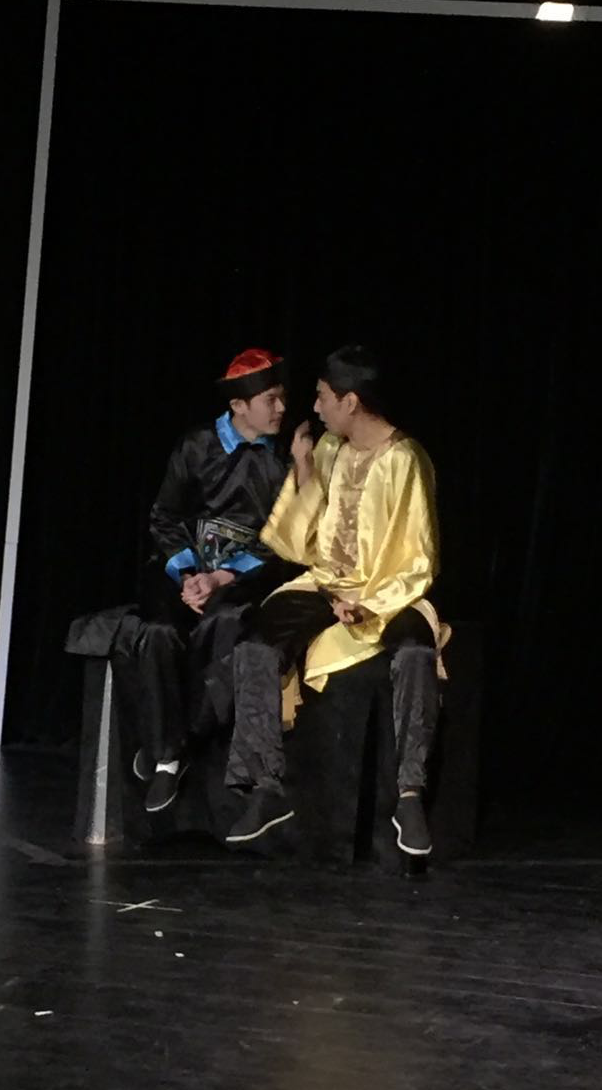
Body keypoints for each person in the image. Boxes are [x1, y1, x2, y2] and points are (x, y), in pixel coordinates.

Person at [224, 344, 444, 855]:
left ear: (350, 401)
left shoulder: (405, 460)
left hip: (388, 592)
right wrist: (303, 468)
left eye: (323, 397)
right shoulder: (328, 449)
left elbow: (419, 561)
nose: (315, 407)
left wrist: (368, 604)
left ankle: (409, 795)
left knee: (415, 653)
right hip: (326, 583)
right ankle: (266, 786)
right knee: (257, 642)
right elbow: (301, 546)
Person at [132, 348, 293, 813]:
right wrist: (188, 574)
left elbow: (281, 539)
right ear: (239, 405)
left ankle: (172, 748)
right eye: (270, 400)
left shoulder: (282, 460)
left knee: (225, 625)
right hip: (183, 571)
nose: (281, 408)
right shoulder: (197, 446)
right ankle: (168, 752)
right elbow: (164, 517)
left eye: (282, 397)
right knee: (159, 633)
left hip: (238, 579)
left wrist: (220, 577)